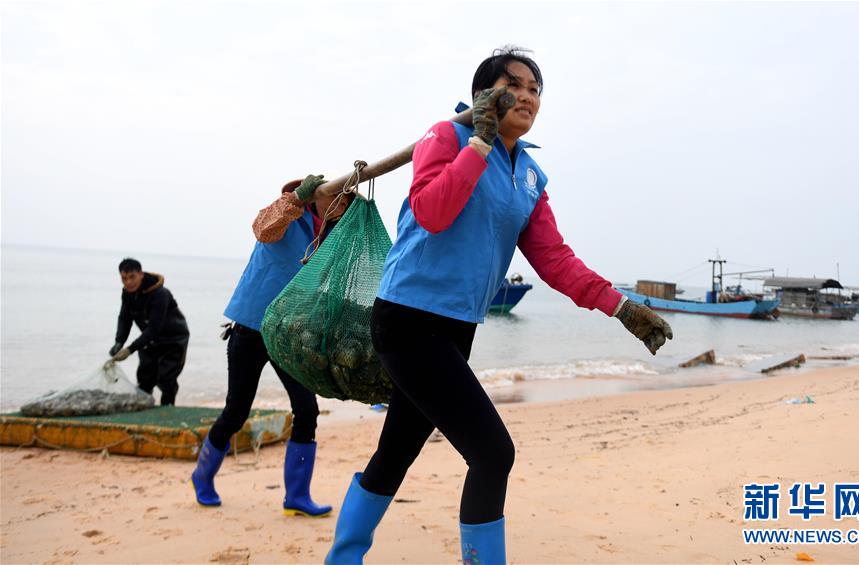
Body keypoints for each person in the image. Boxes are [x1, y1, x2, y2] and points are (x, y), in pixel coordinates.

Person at [325, 47, 674, 564]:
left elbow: (554, 259)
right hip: (407, 320)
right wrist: (480, 143)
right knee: (493, 454)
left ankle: (342, 559)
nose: (527, 96)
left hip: (457, 329)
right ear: (484, 95)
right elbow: (433, 212)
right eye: (515, 85)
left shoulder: (529, 175)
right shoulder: (444, 137)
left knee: (395, 452)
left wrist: (622, 307)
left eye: (536, 89)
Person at [190, 174, 351, 516]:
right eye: (335, 195)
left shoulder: (331, 233)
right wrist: (296, 199)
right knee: (236, 411)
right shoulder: (286, 217)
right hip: (250, 327)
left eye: (345, 198)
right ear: (315, 197)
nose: (341, 202)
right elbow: (262, 229)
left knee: (307, 409)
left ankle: (297, 496)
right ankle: (202, 476)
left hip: (290, 333)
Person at [108, 258, 190, 406]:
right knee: (145, 379)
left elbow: (154, 328)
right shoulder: (127, 294)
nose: (128, 282)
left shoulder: (160, 294)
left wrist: (130, 349)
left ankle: (168, 408)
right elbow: (125, 318)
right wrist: (119, 341)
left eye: (132, 277)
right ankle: (144, 409)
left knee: (165, 379)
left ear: (141, 274)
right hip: (150, 340)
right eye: (124, 278)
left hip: (174, 340)